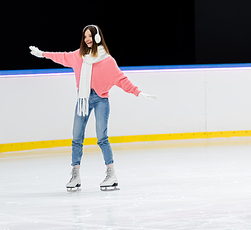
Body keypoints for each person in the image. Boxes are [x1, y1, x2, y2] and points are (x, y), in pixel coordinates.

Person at [29, 25, 156, 191]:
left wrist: (138, 93)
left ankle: (111, 173)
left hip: (101, 100)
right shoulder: (78, 56)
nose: (87, 39)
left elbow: (122, 80)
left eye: (90, 36)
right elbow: (61, 56)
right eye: (85, 37)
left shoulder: (107, 60)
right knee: (76, 138)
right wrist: (43, 54)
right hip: (83, 100)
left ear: (97, 38)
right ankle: (75, 174)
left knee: (102, 137)